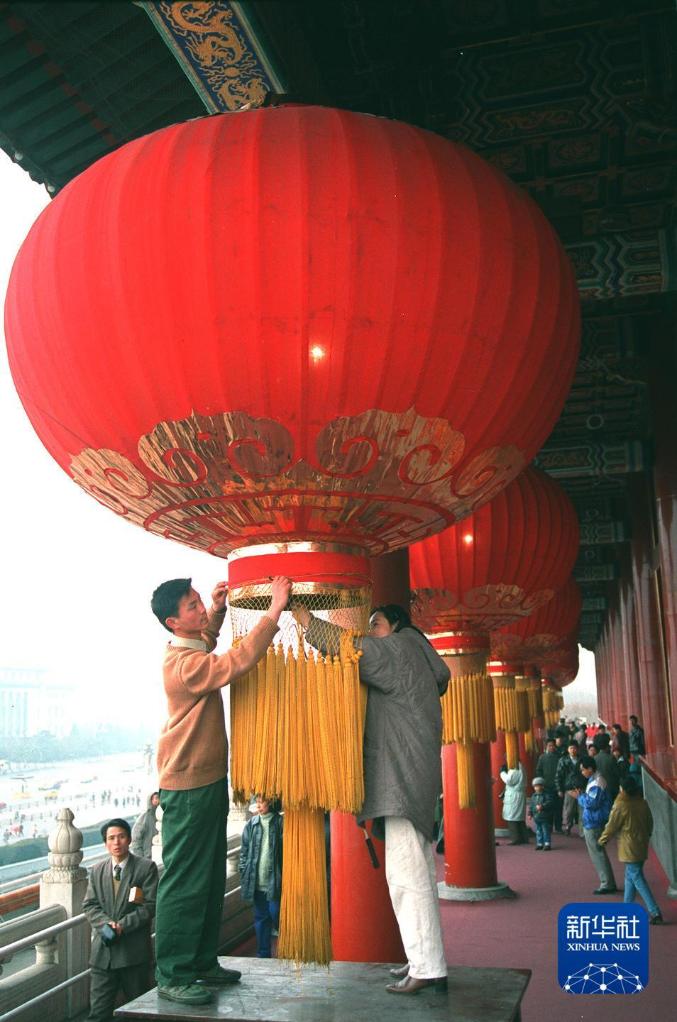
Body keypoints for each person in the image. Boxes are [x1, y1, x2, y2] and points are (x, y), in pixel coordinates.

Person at [294, 602, 450, 996]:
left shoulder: (400, 648)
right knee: (412, 871)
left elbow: (355, 649)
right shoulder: (418, 653)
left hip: (402, 779)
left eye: (376, 623)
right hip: (409, 777)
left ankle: (428, 968)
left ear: (395, 625)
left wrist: (309, 623)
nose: (371, 631)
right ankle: (423, 959)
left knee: (407, 876)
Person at [150, 574, 291, 1006]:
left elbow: (207, 640)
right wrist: (275, 610)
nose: (199, 608)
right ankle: (173, 974)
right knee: (184, 882)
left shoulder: (190, 649)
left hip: (206, 781)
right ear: (174, 622)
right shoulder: (182, 666)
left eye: (198, 601)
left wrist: (216, 609)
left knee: (210, 877)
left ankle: (202, 962)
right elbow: (235, 660)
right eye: (192, 606)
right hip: (187, 786)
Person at [83, 818, 158, 1022]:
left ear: (130, 839)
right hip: (103, 955)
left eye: (121, 837)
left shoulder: (145, 868)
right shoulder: (97, 870)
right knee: (98, 1014)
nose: (116, 842)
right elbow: (89, 905)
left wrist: (122, 926)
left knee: (139, 1012)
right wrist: (106, 925)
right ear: (105, 843)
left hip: (133, 954)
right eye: (111, 838)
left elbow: (150, 905)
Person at [598, 775, 663, 924]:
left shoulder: (621, 805)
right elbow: (650, 822)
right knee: (630, 877)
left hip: (629, 846)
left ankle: (655, 912)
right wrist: (646, 835)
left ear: (622, 789)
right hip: (641, 844)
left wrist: (602, 840)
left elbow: (612, 826)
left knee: (637, 878)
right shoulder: (642, 802)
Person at [239, 795, 283, 957]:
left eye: (261, 802)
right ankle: (263, 955)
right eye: (256, 801)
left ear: (271, 802)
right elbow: (244, 852)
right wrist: (244, 871)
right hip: (257, 883)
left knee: (276, 914)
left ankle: (285, 950)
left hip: (275, 883)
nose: (258, 805)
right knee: (261, 920)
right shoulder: (251, 824)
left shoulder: (281, 823)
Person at [569, 754, 617, 895]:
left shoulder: (597, 782)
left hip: (594, 822)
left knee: (598, 853)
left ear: (590, 768)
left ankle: (607, 883)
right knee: (598, 853)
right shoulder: (594, 779)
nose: (582, 772)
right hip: (594, 820)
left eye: (583, 769)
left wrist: (580, 797)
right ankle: (607, 881)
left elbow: (592, 803)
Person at [556, 741, 584, 836]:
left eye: (575, 748)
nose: (573, 750)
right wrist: (559, 789)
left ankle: (582, 831)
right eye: (571, 748)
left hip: (580, 788)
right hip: (569, 788)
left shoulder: (582, 759)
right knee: (569, 811)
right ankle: (568, 826)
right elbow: (558, 776)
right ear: (568, 749)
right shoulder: (563, 760)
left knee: (582, 810)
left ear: (578, 749)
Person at [535, 738, 562, 832]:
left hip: (557, 786)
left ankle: (558, 827)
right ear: (546, 746)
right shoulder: (542, 757)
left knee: (558, 807)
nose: (551, 747)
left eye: (553, 746)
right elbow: (538, 770)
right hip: (546, 786)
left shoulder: (559, 757)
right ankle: (549, 826)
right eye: (549, 746)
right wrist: (541, 782)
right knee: (548, 806)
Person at [500, 761, 528, 845]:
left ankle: (515, 839)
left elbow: (509, 780)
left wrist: (502, 773)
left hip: (514, 795)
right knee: (519, 818)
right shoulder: (520, 766)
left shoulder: (515, 768)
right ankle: (524, 837)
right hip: (517, 794)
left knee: (512, 818)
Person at [592, 732, 621, 802]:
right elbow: (618, 773)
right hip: (611, 789)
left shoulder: (594, 758)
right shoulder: (611, 758)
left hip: (598, 788)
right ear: (607, 746)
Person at [130, 792, 159, 859]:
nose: (158, 801)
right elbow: (135, 838)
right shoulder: (144, 817)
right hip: (147, 856)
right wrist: (140, 858)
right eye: (156, 798)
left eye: (159, 798)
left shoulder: (162, 815)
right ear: (150, 800)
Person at [528, 777, 554, 850]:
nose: (536, 788)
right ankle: (540, 843)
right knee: (538, 831)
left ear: (542, 786)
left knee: (545, 830)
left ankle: (547, 844)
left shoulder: (546, 795)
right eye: (535, 786)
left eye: (537, 786)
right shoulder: (534, 796)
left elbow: (549, 802)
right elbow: (531, 805)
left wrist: (542, 806)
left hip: (545, 816)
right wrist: (530, 814)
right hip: (537, 817)